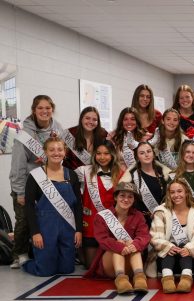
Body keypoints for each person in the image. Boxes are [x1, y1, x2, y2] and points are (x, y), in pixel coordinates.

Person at [10, 95, 66, 268]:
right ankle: (19, 254)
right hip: (26, 183)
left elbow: (62, 153)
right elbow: (18, 163)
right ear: (34, 110)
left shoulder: (58, 128)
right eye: (40, 108)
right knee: (24, 220)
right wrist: (19, 191)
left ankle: (39, 250)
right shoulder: (24, 134)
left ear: (52, 109)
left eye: (48, 108)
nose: (44, 111)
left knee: (44, 220)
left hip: (48, 183)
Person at [22, 137, 83, 276]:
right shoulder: (36, 176)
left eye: (60, 149)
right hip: (45, 228)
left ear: (65, 152)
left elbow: (78, 205)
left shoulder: (71, 175)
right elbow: (29, 206)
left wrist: (78, 230)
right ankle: (28, 263)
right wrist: (35, 232)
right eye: (52, 150)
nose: (56, 153)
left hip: (67, 227)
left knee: (67, 269)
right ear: (45, 152)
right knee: (45, 271)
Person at [84, 182, 151, 295]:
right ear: (115, 197)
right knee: (118, 245)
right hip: (110, 264)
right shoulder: (102, 216)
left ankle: (140, 278)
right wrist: (120, 246)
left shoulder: (138, 216)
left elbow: (144, 236)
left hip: (132, 265)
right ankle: (121, 280)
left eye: (130, 197)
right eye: (122, 195)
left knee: (134, 244)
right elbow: (103, 240)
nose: (126, 199)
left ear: (134, 200)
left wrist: (134, 244)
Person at [150, 179, 194, 294]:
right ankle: (167, 279)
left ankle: (186, 279)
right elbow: (155, 238)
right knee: (173, 245)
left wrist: (189, 249)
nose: (176, 195)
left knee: (183, 245)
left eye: (180, 191)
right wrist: (168, 246)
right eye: (172, 192)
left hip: (188, 261)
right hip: (165, 260)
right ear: (169, 195)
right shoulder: (161, 212)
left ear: (186, 193)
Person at [75, 141, 122, 268]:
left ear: (113, 155)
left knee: (109, 266)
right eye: (98, 153)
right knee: (91, 266)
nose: (102, 157)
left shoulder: (122, 173)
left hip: (113, 227)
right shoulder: (83, 171)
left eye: (106, 153)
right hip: (91, 226)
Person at [120, 142, 170, 226]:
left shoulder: (164, 174)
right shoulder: (132, 177)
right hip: (141, 222)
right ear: (137, 157)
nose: (146, 155)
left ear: (153, 154)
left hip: (163, 218)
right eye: (142, 153)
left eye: (149, 151)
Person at [172, 140, 194, 209]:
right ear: (182, 153)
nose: (191, 155)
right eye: (187, 152)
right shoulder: (174, 175)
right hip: (183, 213)